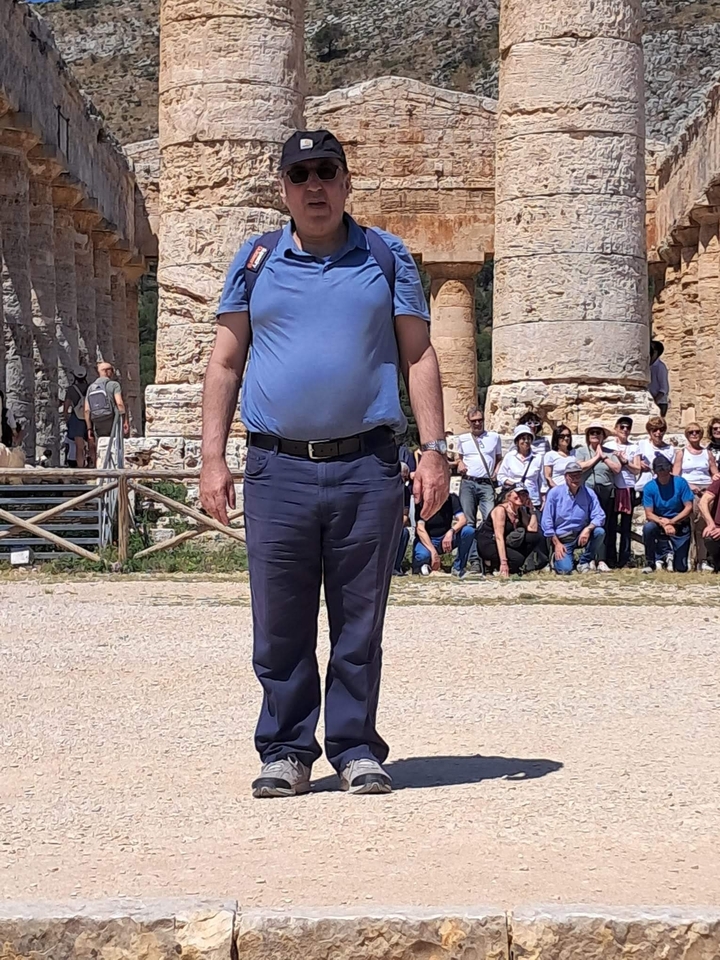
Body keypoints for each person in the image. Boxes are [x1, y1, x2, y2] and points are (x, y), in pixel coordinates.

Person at [200, 128, 449, 798]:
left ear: (346, 182)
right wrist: (211, 457)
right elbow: (225, 361)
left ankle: (356, 746)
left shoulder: (385, 255)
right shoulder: (254, 259)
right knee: (278, 620)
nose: (314, 186)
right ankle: (285, 748)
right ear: (283, 188)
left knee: (359, 619)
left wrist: (434, 451)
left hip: (367, 464)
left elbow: (419, 355)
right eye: (300, 174)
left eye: (326, 172)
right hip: (277, 467)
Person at [455, 405, 502, 573]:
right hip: (468, 482)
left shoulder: (494, 437)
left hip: (486, 483)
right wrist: (460, 464)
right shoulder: (463, 439)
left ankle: (489, 559)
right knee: (468, 523)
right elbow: (459, 459)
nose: (477, 424)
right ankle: (474, 560)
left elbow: (498, 458)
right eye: (474, 421)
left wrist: (496, 472)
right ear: (468, 421)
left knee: (490, 521)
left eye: (480, 420)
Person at [541, 458, 607, 574]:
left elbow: (600, 515)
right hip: (562, 538)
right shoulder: (554, 493)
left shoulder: (589, 493)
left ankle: (584, 561)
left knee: (599, 532)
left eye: (578, 476)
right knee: (565, 570)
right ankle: (555, 559)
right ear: (566, 477)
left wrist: (588, 528)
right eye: (572, 476)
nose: (575, 479)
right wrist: (557, 543)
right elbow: (546, 521)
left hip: (581, 535)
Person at [673, 422, 718, 571]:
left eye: (697, 432)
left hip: (705, 492)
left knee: (702, 526)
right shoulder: (682, 453)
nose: (694, 434)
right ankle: (690, 559)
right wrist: (689, 486)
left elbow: (714, 473)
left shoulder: (707, 453)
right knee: (689, 527)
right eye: (691, 432)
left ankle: (702, 559)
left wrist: (711, 486)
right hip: (688, 491)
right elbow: (675, 474)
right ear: (687, 435)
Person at [476, 482, 548, 576]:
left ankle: (514, 563)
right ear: (509, 495)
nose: (521, 497)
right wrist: (504, 562)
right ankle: (493, 564)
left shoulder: (519, 510)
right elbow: (499, 537)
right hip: (490, 542)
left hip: (506, 541)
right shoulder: (500, 510)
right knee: (517, 560)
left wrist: (532, 510)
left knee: (535, 537)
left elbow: (532, 530)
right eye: (517, 494)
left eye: (524, 495)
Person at [642, 454, 693, 573]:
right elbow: (649, 514)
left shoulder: (681, 482)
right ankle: (650, 562)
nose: (663, 473)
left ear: (670, 469)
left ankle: (672, 557)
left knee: (681, 568)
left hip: (680, 521)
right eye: (660, 471)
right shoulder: (649, 487)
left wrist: (672, 521)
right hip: (659, 522)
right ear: (655, 472)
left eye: (665, 470)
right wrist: (664, 523)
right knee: (648, 528)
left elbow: (689, 507)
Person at [604, 416, 640, 568]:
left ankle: (624, 558)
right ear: (616, 428)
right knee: (610, 524)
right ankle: (610, 558)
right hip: (613, 487)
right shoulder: (609, 445)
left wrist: (625, 462)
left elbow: (637, 469)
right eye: (622, 427)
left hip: (628, 487)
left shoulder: (634, 447)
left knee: (626, 525)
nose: (625, 430)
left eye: (628, 428)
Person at [412, 491, 474, 578]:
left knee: (468, 531)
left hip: (445, 539)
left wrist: (451, 531)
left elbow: (463, 520)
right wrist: (433, 552)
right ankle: (425, 565)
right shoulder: (422, 501)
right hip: (427, 540)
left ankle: (458, 567)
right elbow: (420, 529)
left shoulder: (451, 498)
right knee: (422, 557)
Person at [497, 424, 544, 512]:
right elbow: (501, 476)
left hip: (532, 500)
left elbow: (542, 481)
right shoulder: (510, 456)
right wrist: (515, 484)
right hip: (514, 500)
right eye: (523, 438)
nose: (526, 441)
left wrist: (543, 498)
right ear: (517, 441)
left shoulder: (538, 458)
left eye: (528, 438)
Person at [84, 362, 129, 447]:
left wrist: (89, 428)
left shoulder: (90, 388)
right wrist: (125, 421)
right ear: (108, 371)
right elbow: (119, 404)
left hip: (97, 421)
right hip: (112, 419)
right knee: (116, 445)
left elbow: (87, 410)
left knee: (101, 445)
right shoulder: (114, 385)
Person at [635, 415, 676, 493]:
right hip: (644, 487)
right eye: (655, 430)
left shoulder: (670, 449)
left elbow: (673, 470)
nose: (658, 432)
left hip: (664, 487)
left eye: (661, 429)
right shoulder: (641, 444)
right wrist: (639, 463)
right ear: (649, 431)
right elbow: (632, 462)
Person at [62, 366, 90, 468]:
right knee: (92, 444)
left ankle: (80, 467)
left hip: (77, 418)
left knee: (79, 447)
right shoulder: (90, 387)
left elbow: (66, 405)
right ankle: (94, 466)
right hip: (90, 417)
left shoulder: (71, 389)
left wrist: (66, 417)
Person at [393, 462, 412, 576]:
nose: (404, 480)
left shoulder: (406, 491)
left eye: (406, 477)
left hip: (396, 524)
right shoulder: (385, 488)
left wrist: (396, 526)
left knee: (404, 533)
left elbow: (405, 515)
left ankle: (396, 566)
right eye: (402, 477)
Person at [543, 425, 574, 489]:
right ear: (556, 438)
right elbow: (548, 477)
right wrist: (558, 490)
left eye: (568, 436)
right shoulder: (550, 455)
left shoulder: (574, 453)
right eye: (562, 436)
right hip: (557, 490)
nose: (566, 438)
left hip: (574, 491)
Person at [699, 477, 720, 572]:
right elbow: (703, 502)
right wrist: (710, 524)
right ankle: (715, 563)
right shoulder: (718, 481)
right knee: (709, 536)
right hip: (717, 529)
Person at [649, 340, 670, 417]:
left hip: (659, 403)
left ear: (655, 352)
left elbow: (664, 389)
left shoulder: (660, 367)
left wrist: (654, 402)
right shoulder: (648, 366)